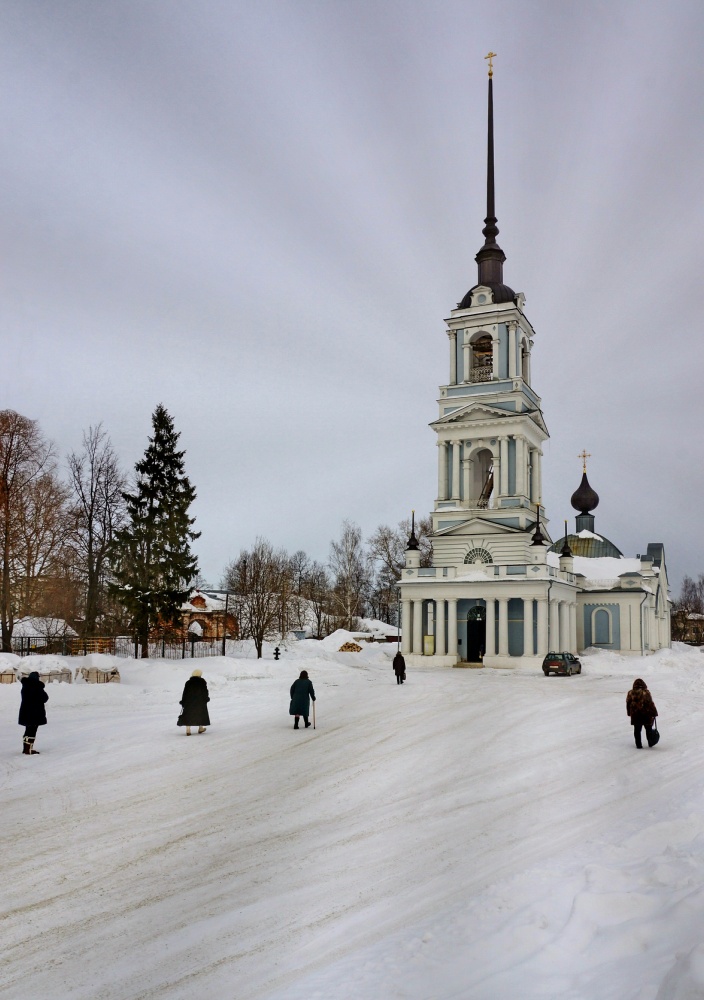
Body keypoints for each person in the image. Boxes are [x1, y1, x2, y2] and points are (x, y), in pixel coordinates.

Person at [19, 670, 48, 755]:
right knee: (32, 731)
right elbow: (45, 698)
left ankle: (26, 748)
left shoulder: (25, 686)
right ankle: (29, 749)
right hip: (35, 713)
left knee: (27, 730)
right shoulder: (37, 687)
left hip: (25, 712)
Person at [626, 678, 658, 748]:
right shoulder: (646, 692)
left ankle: (638, 745)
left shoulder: (630, 693)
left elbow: (628, 704)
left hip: (635, 715)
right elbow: (650, 704)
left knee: (637, 730)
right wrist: (654, 713)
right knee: (648, 729)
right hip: (646, 714)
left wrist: (629, 713)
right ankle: (650, 742)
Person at [177, 668, 210, 735]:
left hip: (189, 701)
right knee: (201, 714)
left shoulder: (188, 682)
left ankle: (188, 730)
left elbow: (185, 693)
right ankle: (200, 728)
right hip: (200, 701)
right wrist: (206, 699)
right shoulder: (202, 682)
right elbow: (205, 692)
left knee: (188, 714)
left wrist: (183, 701)